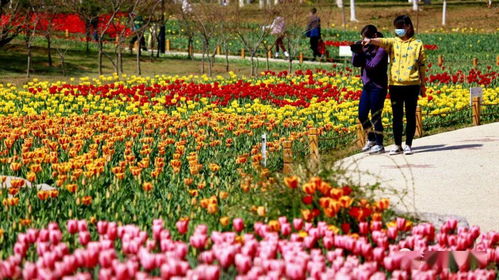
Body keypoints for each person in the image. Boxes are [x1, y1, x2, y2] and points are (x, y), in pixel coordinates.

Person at [362, 15, 426, 155]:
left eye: (401, 27)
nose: (398, 30)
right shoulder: (393, 42)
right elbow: (382, 41)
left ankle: (408, 144)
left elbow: (422, 66)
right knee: (396, 116)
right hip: (395, 85)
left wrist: (423, 86)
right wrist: (370, 40)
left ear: (408, 26)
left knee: (410, 115)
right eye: (396, 27)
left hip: (412, 84)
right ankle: (397, 145)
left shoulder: (418, 44)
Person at [351, 25, 388, 154]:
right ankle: (371, 138)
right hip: (367, 86)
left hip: (378, 86)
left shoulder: (382, 49)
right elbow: (355, 63)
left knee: (375, 116)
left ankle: (380, 143)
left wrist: (362, 54)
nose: (364, 40)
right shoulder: (365, 48)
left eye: (367, 37)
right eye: (363, 38)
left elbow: (372, 66)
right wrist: (356, 52)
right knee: (362, 114)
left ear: (374, 36)